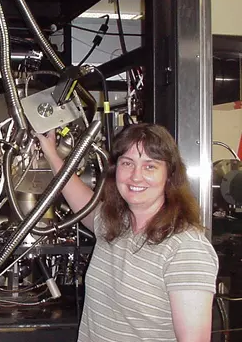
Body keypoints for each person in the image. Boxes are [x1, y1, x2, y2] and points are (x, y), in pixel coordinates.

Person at [37, 123, 218, 342]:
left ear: (169, 175)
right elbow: (83, 204)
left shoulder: (185, 249)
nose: (136, 176)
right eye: (127, 163)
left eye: (150, 166)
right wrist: (51, 154)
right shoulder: (117, 224)